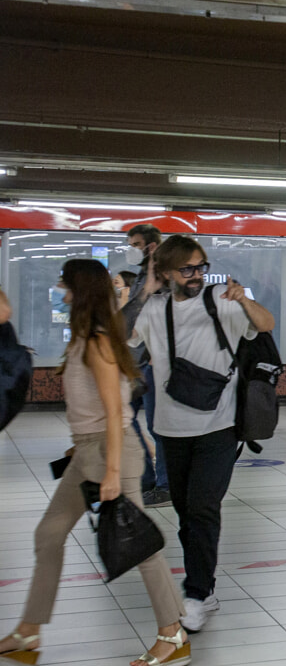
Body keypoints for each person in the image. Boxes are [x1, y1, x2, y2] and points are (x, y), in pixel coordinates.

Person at [0, 260, 189, 666]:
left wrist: (112, 471)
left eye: (64, 282)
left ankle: (173, 635)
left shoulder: (100, 341)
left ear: (78, 289)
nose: (58, 287)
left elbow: (114, 411)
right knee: (48, 534)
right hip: (87, 451)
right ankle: (29, 632)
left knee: (139, 545)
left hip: (110, 451)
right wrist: (80, 450)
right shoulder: (85, 337)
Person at [130, 235, 275, 632]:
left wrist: (243, 298)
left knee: (202, 509)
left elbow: (265, 324)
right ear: (165, 273)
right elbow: (120, 337)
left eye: (201, 267)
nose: (196, 276)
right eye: (187, 269)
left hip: (219, 426)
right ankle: (201, 584)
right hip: (170, 430)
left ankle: (199, 591)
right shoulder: (153, 309)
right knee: (185, 512)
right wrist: (144, 292)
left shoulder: (221, 302)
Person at [119, 223, 168, 507]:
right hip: (135, 362)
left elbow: (160, 315)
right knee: (126, 418)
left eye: (136, 245)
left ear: (151, 245)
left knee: (156, 426)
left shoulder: (162, 273)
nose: (131, 250)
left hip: (152, 362)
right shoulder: (142, 274)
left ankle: (163, 485)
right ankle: (147, 480)